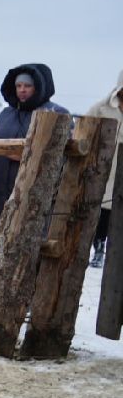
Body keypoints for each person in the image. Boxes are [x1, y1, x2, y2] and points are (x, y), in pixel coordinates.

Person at [0, 63, 70, 233]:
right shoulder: (6, 114)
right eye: (18, 86)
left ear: (39, 86)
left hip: (34, 192)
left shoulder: (56, 113)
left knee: (29, 243)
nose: (22, 90)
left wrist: (26, 157)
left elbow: (63, 155)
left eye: (28, 85)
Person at [87, 69, 123, 268]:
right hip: (107, 167)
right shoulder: (102, 108)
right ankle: (99, 248)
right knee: (104, 211)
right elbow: (85, 133)